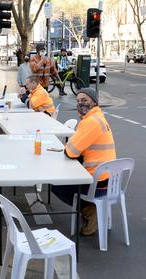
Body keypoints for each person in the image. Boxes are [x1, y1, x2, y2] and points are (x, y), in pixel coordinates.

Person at [51, 89, 116, 236]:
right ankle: (90, 210)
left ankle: (89, 210)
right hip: (108, 178)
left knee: (57, 186)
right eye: (78, 101)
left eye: (85, 100)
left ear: (94, 102)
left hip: (96, 181)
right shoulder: (99, 117)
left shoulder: (90, 122)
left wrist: (71, 147)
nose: (81, 103)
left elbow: (70, 152)